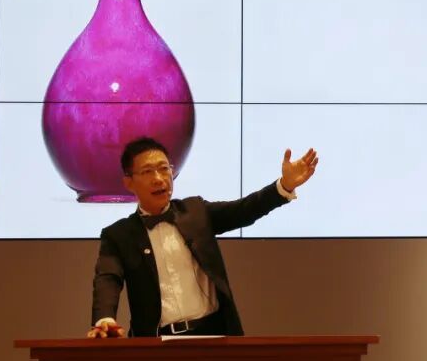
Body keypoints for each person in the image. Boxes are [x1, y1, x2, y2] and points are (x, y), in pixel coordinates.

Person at [87, 136, 318, 338]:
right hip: (156, 344)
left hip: (213, 335)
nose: (159, 178)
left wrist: (284, 186)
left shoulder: (196, 212)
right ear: (128, 182)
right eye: (147, 172)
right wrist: (104, 319)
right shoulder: (119, 235)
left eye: (164, 168)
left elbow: (244, 210)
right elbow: (107, 279)